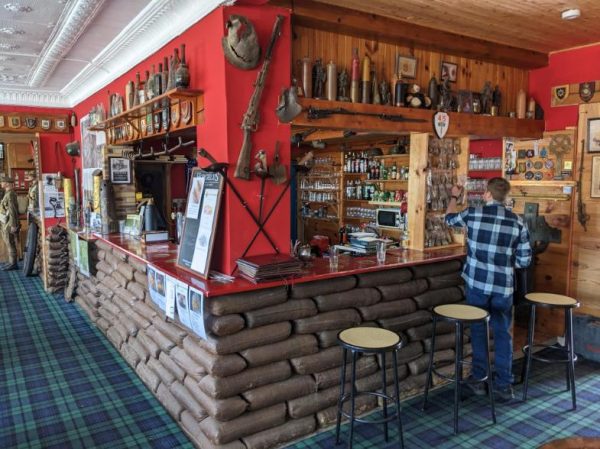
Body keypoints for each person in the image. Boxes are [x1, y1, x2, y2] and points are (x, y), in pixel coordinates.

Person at [445, 177, 532, 402]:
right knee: (504, 334)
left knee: (478, 331)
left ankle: (479, 380)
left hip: (477, 284)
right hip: (503, 287)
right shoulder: (518, 222)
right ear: (506, 196)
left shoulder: (474, 214)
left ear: (487, 194)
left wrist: (455, 196)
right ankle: (504, 385)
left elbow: (448, 219)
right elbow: (524, 261)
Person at [0, 175, 20, 270]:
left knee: (10, 242)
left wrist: (13, 225)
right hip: (6, 221)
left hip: (9, 223)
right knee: (8, 242)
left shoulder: (10, 194)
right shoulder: (7, 193)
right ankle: (11, 262)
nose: (1, 183)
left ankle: (13, 263)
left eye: (2, 182)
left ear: (7, 183)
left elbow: (13, 211)